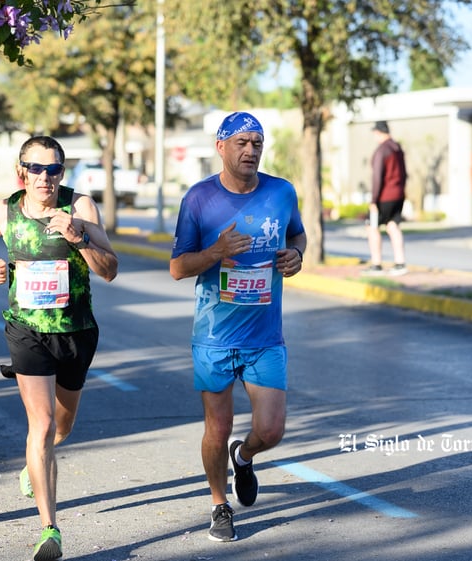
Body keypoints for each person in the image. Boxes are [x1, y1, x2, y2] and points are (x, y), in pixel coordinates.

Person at [0, 135, 118, 561]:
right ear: (22, 172)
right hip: (27, 330)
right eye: (36, 169)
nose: (44, 178)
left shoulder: (81, 208)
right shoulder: (4, 210)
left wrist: (79, 239)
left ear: (62, 173)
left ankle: (34, 466)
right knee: (42, 424)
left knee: (62, 427)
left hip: (76, 331)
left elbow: (110, 270)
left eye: (53, 169)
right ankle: (49, 530)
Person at [169, 111, 307, 542]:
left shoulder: (282, 192)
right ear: (221, 147)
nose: (251, 151)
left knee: (271, 430)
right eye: (242, 143)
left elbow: (298, 236)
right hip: (214, 334)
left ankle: (243, 458)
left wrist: (296, 256)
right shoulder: (198, 199)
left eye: (258, 143)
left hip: (265, 336)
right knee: (218, 427)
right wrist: (216, 251)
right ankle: (219, 504)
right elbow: (177, 267)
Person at [363, 120, 408, 276]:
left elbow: (377, 177)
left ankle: (376, 264)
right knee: (393, 226)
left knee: (372, 226)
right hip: (399, 194)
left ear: (378, 132)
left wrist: (373, 200)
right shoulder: (397, 148)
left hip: (384, 197)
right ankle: (400, 263)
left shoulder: (382, 150)